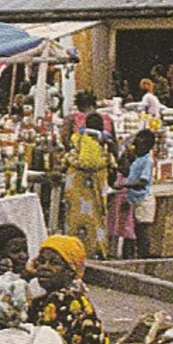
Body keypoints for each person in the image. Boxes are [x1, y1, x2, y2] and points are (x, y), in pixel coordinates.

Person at [27, 234, 110, 344]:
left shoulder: (63, 299)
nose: (45, 267)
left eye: (54, 263)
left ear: (70, 271)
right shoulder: (52, 297)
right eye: (41, 261)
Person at [61, 91, 114, 259]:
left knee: (75, 214)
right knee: (99, 214)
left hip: (77, 178)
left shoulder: (71, 120)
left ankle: (74, 249)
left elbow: (65, 142)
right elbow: (114, 147)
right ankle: (98, 248)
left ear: (78, 104)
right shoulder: (107, 120)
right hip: (99, 177)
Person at [110, 128, 156, 259]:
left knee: (142, 231)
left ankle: (144, 257)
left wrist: (123, 186)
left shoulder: (148, 161)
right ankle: (133, 255)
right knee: (131, 229)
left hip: (143, 199)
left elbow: (142, 182)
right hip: (135, 199)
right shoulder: (137, 159)